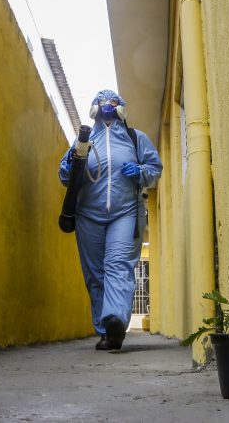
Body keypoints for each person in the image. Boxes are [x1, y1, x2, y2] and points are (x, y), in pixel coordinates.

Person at [58, 89, 162, 350]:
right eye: (102, 102)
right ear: (94, 108)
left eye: (113, 103)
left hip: (125, 212)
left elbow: (154, 169)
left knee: (118, 265)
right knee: (95, 273)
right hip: (87, 215)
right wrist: (71, 165)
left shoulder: (135, 138)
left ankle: (115, 320)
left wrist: (139, 172)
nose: (107, 106)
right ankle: (105, 332)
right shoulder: (82, 142)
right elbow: (63, 176)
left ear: (121, 108)